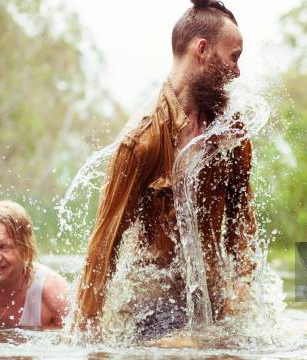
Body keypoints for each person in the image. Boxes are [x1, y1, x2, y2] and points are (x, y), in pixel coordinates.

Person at [74, 0, 256, 335]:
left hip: (215, 306)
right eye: (234, 57)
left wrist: (241, 292)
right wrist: (87, 343)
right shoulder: (141, 141)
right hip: (153, 308)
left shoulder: (233, 133)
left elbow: (243, 227)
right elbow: (103, 247)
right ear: (202, 49)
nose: (237, 71)